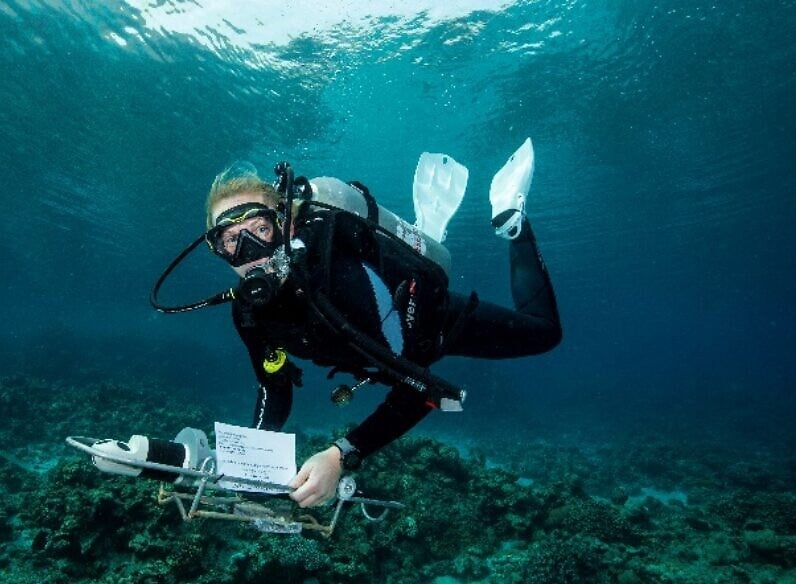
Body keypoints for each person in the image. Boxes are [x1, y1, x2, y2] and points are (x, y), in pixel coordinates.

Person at [194, 145, 561, 508]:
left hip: (432, 325)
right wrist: (252, 463)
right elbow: (274, 385)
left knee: (545, 334)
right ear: (218, 252)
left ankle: (513, 223)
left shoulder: (340, 281)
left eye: (260, 229)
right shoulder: (250, 313)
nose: (249, 251)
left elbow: (421, 392)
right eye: (231, 241)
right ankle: (424, 234)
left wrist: (340, 456)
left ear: (286, 225)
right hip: (384, 348)